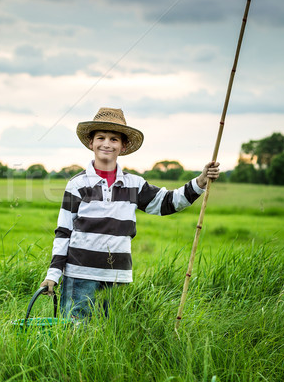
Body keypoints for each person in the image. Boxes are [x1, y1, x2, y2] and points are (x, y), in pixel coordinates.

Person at [40, 107, 220, 319]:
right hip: (80, 276)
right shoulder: (76, 185)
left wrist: (200, 181)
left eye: (114, 139)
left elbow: (169, 202)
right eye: (101, 137)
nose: (107, 143)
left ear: (123, 146)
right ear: (91, 143)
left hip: (117, 277)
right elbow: (63, 231)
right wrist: (53, 274)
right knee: (75, 332)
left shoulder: (134, 185)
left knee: (111, 336)